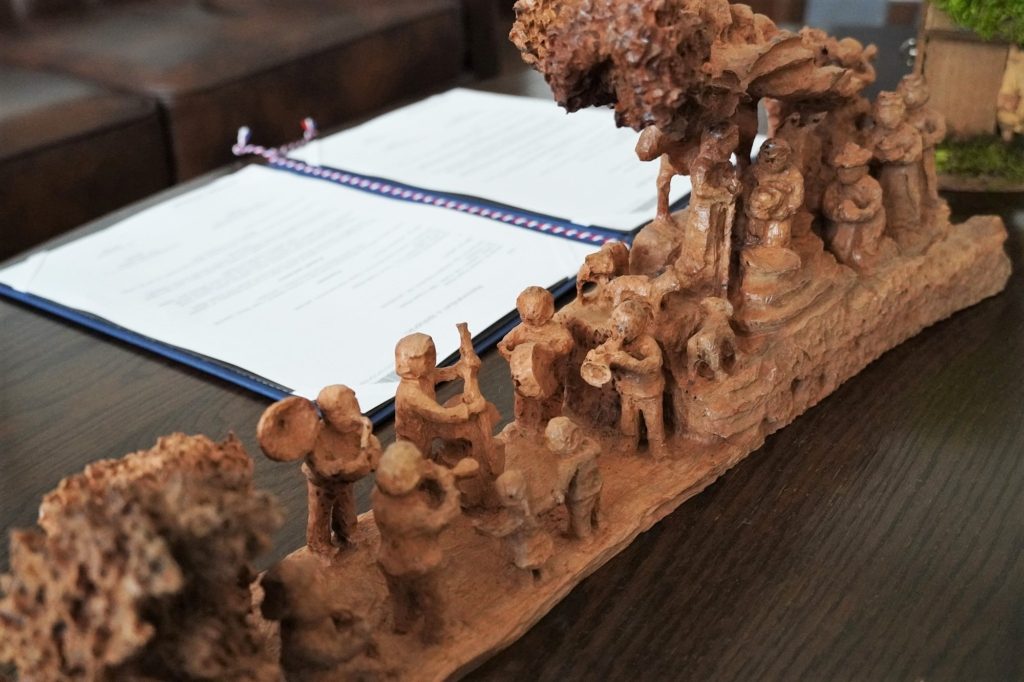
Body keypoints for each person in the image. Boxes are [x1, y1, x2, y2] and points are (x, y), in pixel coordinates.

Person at [256, 385, 380, 556]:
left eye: (354, 406)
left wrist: (369, 449)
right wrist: (351, 465)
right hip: (322, 485)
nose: (353, 416)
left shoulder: (356, 429)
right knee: (320, 514)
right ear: (328, 415)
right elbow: (325, 468)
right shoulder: (317, 437)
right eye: (343, 412)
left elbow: (370, 446)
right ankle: (319, 544)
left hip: (344, 482)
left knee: (347, 507)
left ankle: (348, 532)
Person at [372, 441, 465, 644]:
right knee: (433, 598)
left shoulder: (378, 496)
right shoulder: (414, 512)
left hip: (389, 560)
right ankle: (437, 632)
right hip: (418, 564)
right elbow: (445, 517)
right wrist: (450, 488)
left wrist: (426, 471)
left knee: (400, 597)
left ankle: (402, 623)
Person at [584, 299, 666, 456]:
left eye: (623, 329)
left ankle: (658, 448)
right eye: (615, 325)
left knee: (654, 421)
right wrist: (595, 356)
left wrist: (630, 362)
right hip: (628, 391)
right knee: (628, 421)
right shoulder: (614, 341)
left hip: (649, 392)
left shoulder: (647, 343)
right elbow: (604, 351)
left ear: (637, 330)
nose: (617, 332)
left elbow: (655, 362)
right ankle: (629, 444)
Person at [679, 123, 742, 296]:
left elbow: (729, 179)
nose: (728, 150)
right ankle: (702, 284)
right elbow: (702, 190)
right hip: (704, 215)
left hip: (720, 211)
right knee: (704, 249)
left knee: (719, 245)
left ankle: (717, 282)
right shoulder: (702, 165)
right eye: (726, 145)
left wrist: (733, 185)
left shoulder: (723, 164)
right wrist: (723, 193)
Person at [498, 287, 574, 429]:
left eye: (536, 315)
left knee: (555, 402)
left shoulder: (555, 329)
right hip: (524, 380)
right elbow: (503, 345)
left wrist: (552, 352)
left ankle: (554, 426)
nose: (529, 320)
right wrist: (510, 355)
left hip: (553, 376)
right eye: (525, 316)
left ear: (549, 312)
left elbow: (567, 342)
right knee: (523, 403)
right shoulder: (521, 330)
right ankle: (524, 425)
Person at [393, 332, 475, 457]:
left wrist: (460, 367)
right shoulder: (410, 393)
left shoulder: (425, 374)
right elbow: (440, 414)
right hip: (413, 439)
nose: (431, 359)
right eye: (425, 356)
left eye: (431, 354)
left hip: (426, 426)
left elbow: (445, 373)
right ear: (405, 366)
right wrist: (470, 409)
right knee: (419, 461)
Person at [865, 91, 925, 252]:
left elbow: (916, 151)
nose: (887, 117)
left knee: (908, 199)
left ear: (901, 111)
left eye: (892, 111)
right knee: (887, 198)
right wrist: (881, 155)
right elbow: (868, 152)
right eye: (883, 111)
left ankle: (908, 229)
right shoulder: (875, 133)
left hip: (906, 174)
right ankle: (889, 229)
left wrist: (902, 155)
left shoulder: (910, 132)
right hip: (886, 174)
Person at [822, 142, 887, 270]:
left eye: (850, 170)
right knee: (838, 244)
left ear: (863, 169)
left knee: (863, 249)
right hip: (842, 223)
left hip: (868, 222)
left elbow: (875, 204)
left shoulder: (871, 185)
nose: (844, 173)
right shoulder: (835, 187)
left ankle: (864, 260)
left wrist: (861, 213)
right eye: (841, 169)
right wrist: (838, 212)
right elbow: (827, 205)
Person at [545, 417, 602, 539]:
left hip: (581, 495)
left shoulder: (568, 463)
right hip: (595, 486)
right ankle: (599, 523)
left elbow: (562, 483)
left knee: (580, 517)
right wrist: (586, 441)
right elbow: (598, 450)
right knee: (593, 509)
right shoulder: (588, 449)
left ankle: (586, 537)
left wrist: (558, 493)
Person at [742, 138, 804, 250]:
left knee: (776, 240)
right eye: (765, 159)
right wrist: (747, 205)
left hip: (779, 216)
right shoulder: (754, 171)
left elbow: (796, 198)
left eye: (776, 160)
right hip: (755, 214)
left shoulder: (793, 175)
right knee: (751, 236)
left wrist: (786, 210)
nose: (770, 164)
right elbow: (746, 187)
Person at [898, 74, 946, 212]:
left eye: (913, 91)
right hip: (904, 155)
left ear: (924, 92)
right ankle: (906, 202)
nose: (909, 96)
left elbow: (940, 131)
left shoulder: (930, 115)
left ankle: (930, 199)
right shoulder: (899, 115)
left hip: (925, 154)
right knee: (905, 179)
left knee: (927, 175)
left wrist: (928, 139)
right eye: (905, 90)